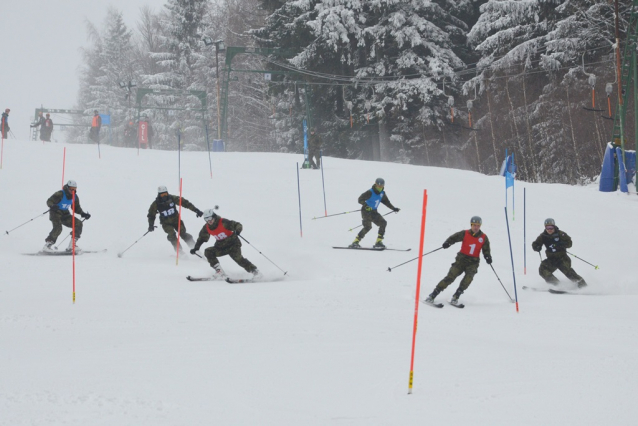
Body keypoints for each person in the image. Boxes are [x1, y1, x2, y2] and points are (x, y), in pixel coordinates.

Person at [425, 216, 492, 306]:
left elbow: (486, 249)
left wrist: (487, 257)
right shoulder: (465, 233)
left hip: (473, 262)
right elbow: (454, 238)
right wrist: (448, 243)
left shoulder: (483, 237)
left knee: (468, 279)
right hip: (461, 260)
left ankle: (456, 296)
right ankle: (433, 295)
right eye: (474, 225)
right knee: (450, 277)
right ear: (471, 225)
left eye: (478, 226)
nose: (476, 227)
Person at [190, 208, 261, 279]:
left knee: (239, 259)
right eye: (206, 219)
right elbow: (202, 238)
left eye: (210, 218)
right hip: (221, 247)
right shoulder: (207, 227)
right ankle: (219, 272)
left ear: (214, 216)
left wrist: (237, 230)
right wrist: (196, 248)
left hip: (233, 245)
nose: (209, 221)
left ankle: (255, 272)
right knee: (208, 251)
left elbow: (237, 224)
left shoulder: (223, 222)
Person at [532, 218, 587, 288]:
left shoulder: (561, 234)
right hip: (551, 259)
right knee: (542, 269)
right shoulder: (543, 236)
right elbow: (535, 244)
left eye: (551, 228)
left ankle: (583, 286)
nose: (549, 230)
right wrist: (536, 247)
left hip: (562, 258)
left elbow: (569, 243)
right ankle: (557, 285)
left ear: (554, 227)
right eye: (547, 228)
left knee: (568, 272)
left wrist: (561, 244)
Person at [147, 186, 203, 252]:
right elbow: (151, 215)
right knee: (171, 234)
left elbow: (185, 203)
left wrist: (196, 210)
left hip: (176, 221)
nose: (164, 196)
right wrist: (151, 225)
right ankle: (179, 251)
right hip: (166, 223)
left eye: (165, 194)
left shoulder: (172, 198)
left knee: (183, 233)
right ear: (159, 195)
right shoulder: (156, 204)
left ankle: (194, 248)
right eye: (162, 195)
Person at [349, 177, 400, 249]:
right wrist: (366, 206)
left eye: (381, 186)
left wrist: (394, 208)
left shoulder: (382, 193)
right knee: (368, 227)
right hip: (366, 211)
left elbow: (386, 202)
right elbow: (360, 199)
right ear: (375, 185)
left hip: (374, 212)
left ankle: (379, 242)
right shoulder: (370, 192)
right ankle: (355, 242)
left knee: (383, 223)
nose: (379, 187)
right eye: (378, 186)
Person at [44, 180, 91, 252]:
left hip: (65, 214)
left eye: (74, 189)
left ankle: (72, 246)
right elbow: (49, 201)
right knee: (58, 228)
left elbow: (76, 208)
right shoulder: (60, 194)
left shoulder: (75, 197)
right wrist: (52, 205)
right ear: (67, 187)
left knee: (78, 224)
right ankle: (47, 245)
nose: (73, 191)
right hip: (55, 213)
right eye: (71, 189)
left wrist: (83, 214)